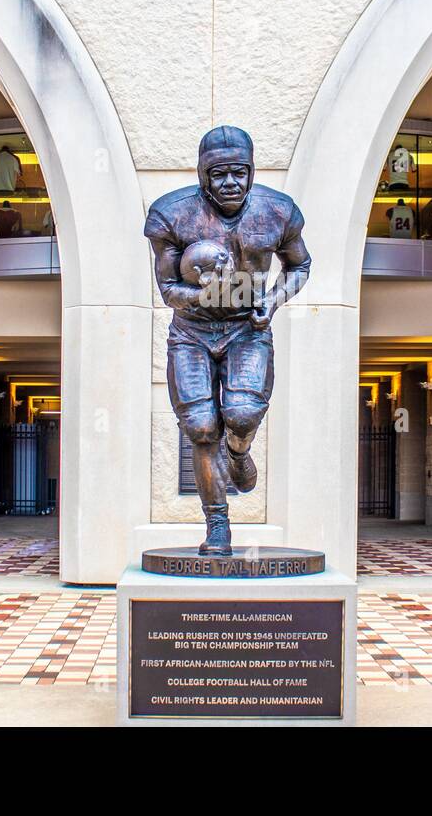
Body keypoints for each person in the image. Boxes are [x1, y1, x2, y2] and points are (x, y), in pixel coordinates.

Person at [144, 125, 312, 556]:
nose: (230, 183)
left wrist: (272, 302)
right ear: (203, 176)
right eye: (218, 175)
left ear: (252, 171)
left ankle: (238, 452)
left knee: (241, 414)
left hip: (247, 328)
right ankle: (217, 524)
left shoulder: (278, 211)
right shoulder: (172, 214)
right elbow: (166, 288)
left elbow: (300, 266)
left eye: (239, 172)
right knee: (200, 427)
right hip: (192, 330)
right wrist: (204, 295)